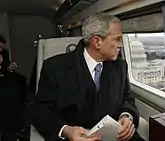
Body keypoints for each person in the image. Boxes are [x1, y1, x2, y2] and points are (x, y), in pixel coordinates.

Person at [32, 13, 145, 141]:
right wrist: (66, 130)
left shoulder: (120, 66)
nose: (121, 45)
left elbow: (127, 99)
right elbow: (41, 111)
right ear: (97, 42)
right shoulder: (54, 68)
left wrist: (126, 116)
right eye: (117, 39)